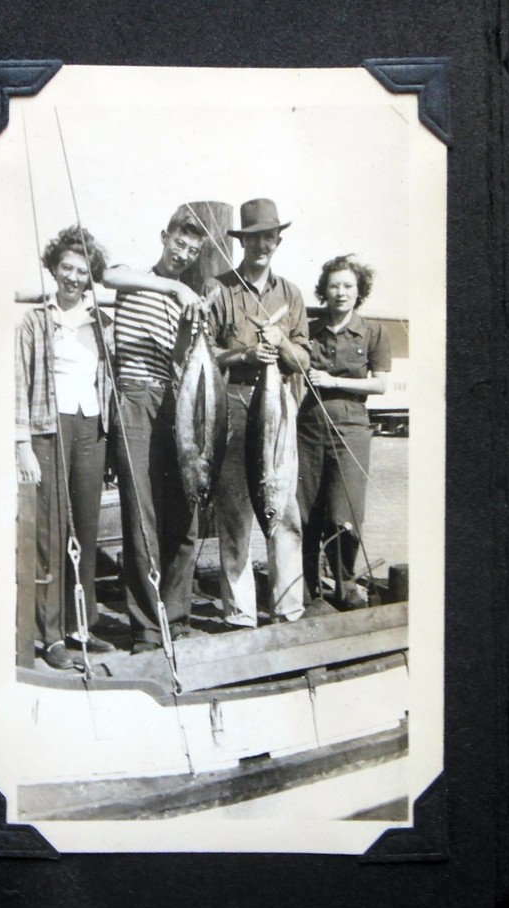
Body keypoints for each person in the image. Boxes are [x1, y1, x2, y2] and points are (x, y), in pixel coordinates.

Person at [101, 206, 204, 654]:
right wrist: (174, 286)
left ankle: (175, 616)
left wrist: (189, 326)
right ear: (164, 238)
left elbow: (180, 357)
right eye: (179, 244)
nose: (183, 254)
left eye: (192, 251)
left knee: (185, 512)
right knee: (141, 515)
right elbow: (108, 276)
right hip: (134, 398)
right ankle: (145, 627)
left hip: (172, 401)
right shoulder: (138, 276)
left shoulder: (186, 298)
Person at [206, 198, 310, 628]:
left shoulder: (291, 294)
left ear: (277, 240)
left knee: (283, 509)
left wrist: (280, 343)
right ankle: (240, 614)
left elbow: (302, 359)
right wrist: (246, 351)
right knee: (235, 513)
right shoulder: (221, 290)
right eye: (253, 238)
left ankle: (288, 608)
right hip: (233, 406)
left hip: (278, 408)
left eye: (268, 237)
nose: (261, 245)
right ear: (242, 242)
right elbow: (206, 353)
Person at [16, 225, 115, 669]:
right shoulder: (36, 321)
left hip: (91, 427)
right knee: (50, 533)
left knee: (87, 529)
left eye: (83, 270)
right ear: (54, 269)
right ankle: (50, 633)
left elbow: (107, 381)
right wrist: (22, 445)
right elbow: (19, 384)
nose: (74, 277)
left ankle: (82, 626)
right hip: (48, 429)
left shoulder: (101, 322)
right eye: (67, 268)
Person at [296, 255, 391, 611]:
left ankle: (344, 586)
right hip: (308, 426)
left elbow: (380, 385)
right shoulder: (309, 328)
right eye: (334, 285)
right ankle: (307, 591)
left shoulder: (373, 332)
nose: (340, 293)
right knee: (306, 510)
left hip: (352, 427)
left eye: (348, 286)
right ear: (325, 290)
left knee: (345, 512)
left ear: (358, 291)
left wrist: (333, 380)